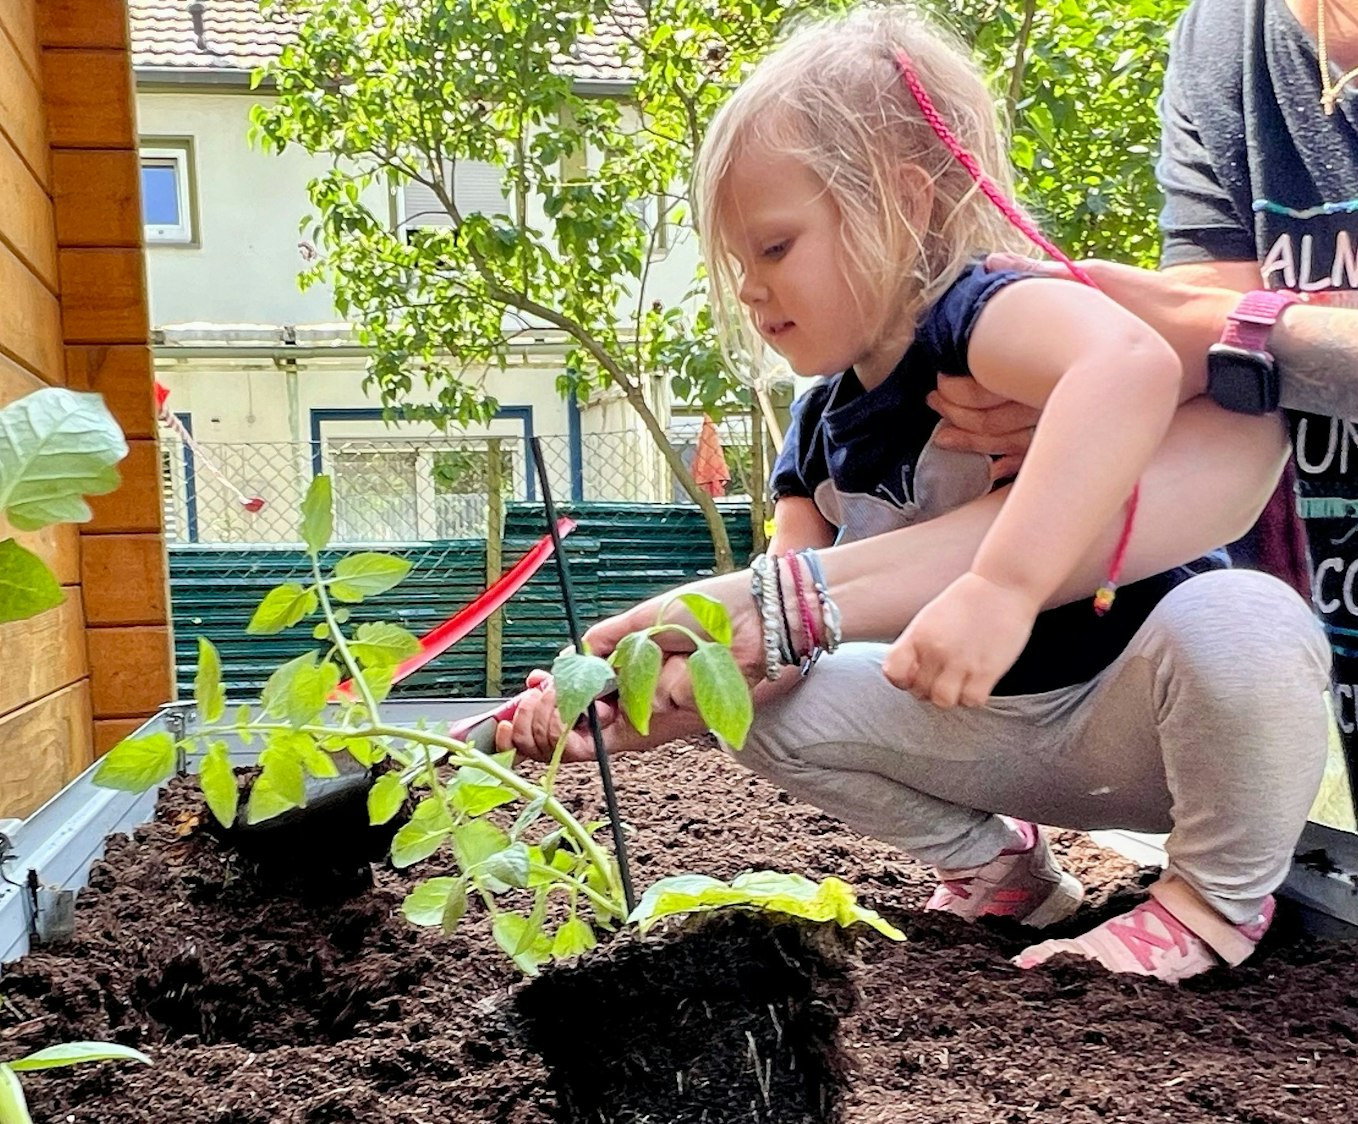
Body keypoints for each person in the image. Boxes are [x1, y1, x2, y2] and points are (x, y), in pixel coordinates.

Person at [497, 6, 1332, 982]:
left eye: (774, 248)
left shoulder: (978, 311)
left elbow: (1129, 361)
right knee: (763, 711)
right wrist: (647, 696)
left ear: (907, 200)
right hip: (977, 723)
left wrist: (1004, 584)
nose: (753, 292)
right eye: (737, 264)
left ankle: (1208, 900)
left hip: (1140, 712)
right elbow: (779, 634)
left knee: (1247, 620)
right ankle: (999, 869)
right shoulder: (816, 424)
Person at [934, 0, 1358, 817]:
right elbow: (1214, 357)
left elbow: (1220, 334)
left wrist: (1239, 335)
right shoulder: (1225, 35)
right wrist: (1105, 396)